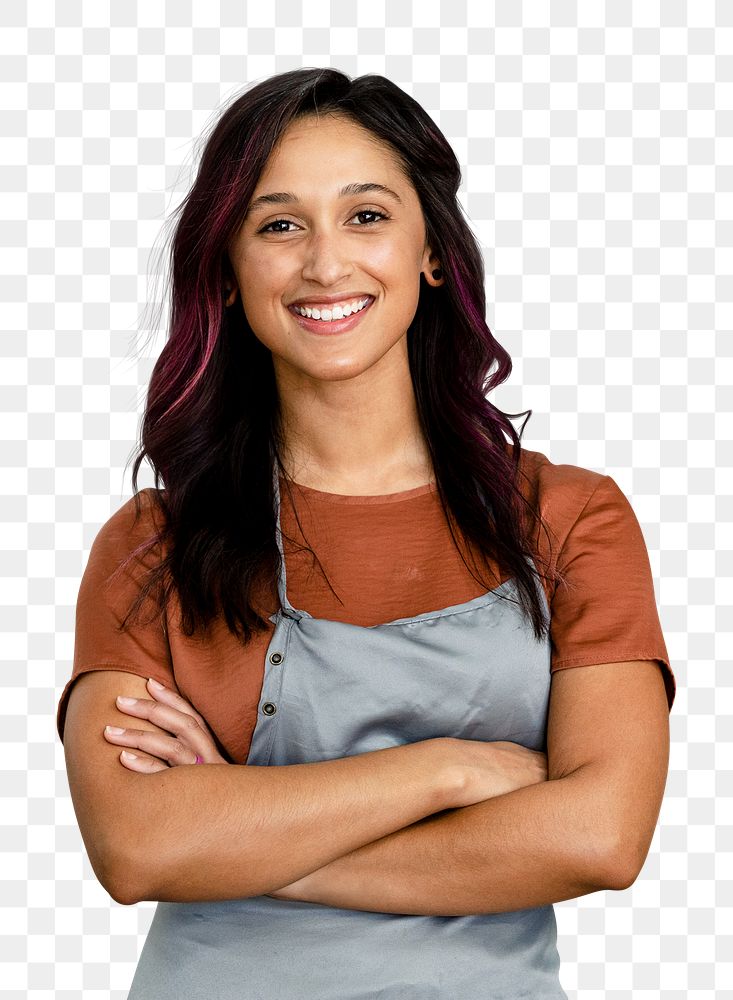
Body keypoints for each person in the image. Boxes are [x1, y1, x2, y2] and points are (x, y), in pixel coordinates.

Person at [56, 67, 675, 999]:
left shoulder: (569, 518)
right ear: (227, 270)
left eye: (366, 216)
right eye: (278, 225)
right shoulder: (152, 545)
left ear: (433, 250)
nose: (324, 265)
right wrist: (452, 771)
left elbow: (598, 838)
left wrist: (238, 838)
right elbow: (137, 849)